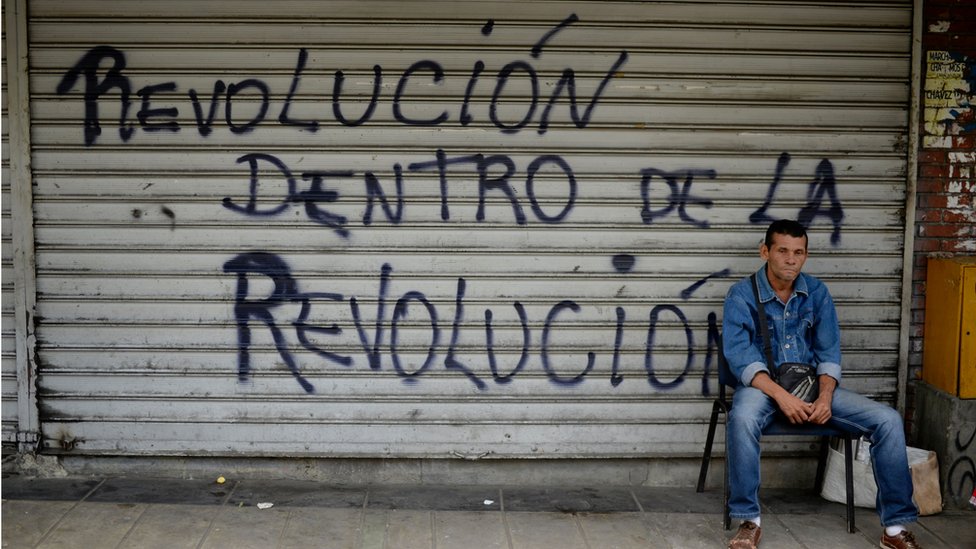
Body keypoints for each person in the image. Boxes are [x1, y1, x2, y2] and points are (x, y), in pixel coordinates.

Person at [722, 219, 921, 549]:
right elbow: (740, 357)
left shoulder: (816, 292)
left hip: (812, 388)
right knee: (741, 418)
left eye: (798, 252)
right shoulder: (741, 295)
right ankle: (749, 521)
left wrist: (826, 397)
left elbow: (829, 353)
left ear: (805, 256)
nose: (790, 259)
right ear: (764, 252)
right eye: (782, 251)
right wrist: (782, 397)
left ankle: (895, 529)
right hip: (762, 389)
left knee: (888, 420)